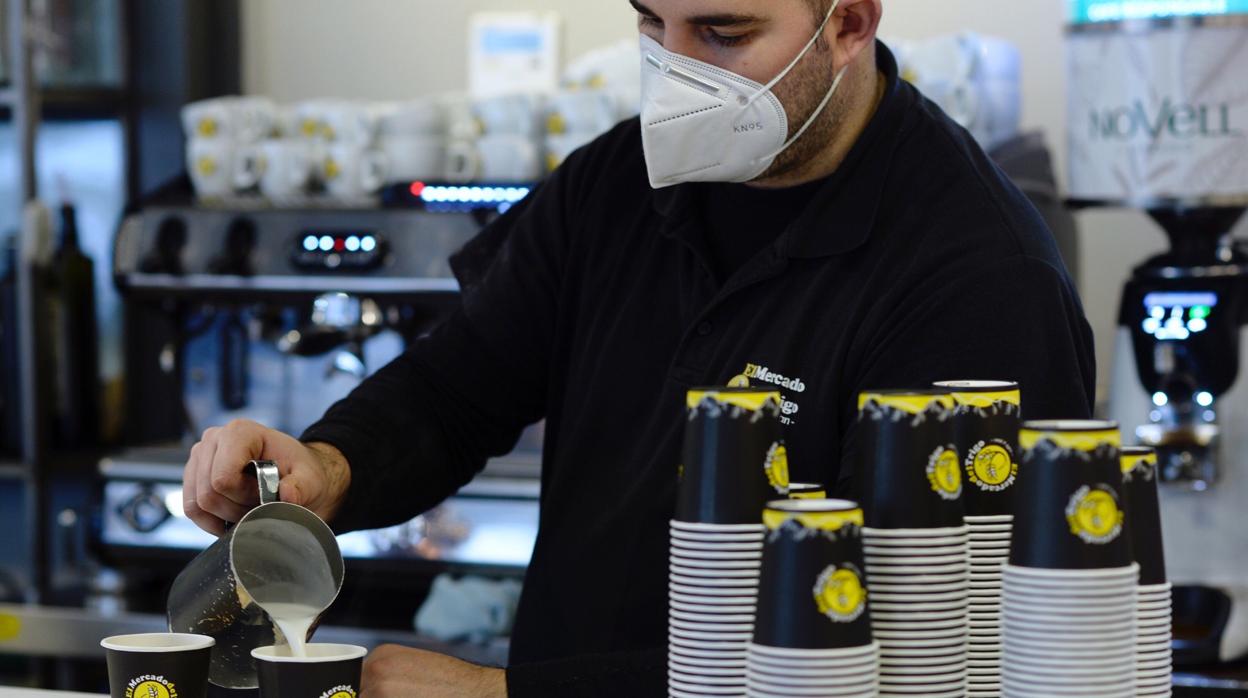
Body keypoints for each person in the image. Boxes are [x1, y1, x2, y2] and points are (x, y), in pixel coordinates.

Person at [180, 0, 1096, 695]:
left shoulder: (978, 278)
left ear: (848, 22)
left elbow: (900, 649)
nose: (678, 72)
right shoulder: (617, 182)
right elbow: (458, 385)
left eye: (723, 35)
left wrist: (505, 693)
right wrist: (330, 469)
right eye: (653, 25)